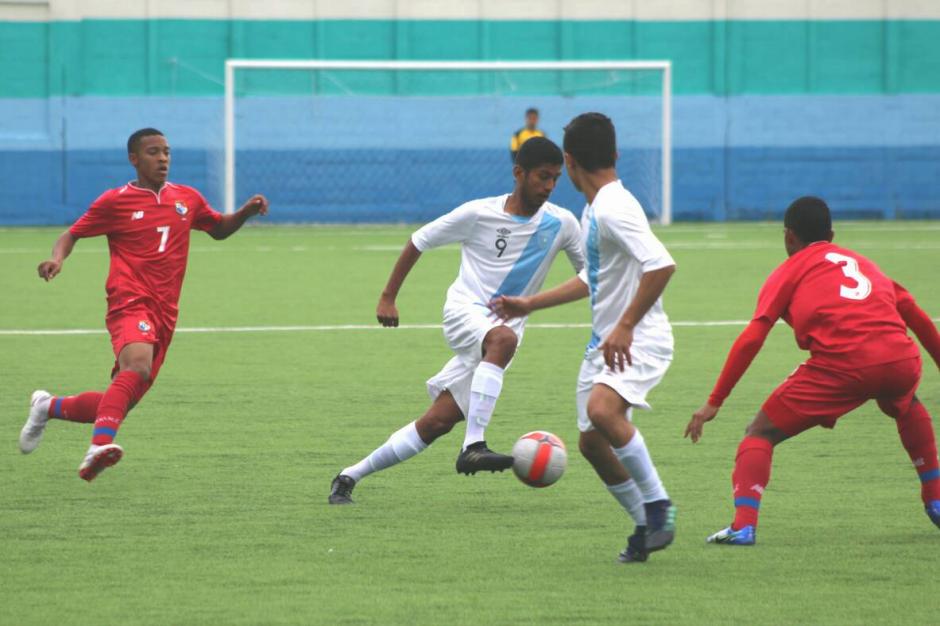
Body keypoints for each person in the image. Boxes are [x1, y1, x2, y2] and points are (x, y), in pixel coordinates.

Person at [328, 137, 583, 504]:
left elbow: (591, 277)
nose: (549, 187)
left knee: (437, 422)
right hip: (465, 312)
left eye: (555, 179)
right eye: (542, 177)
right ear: (518, 173)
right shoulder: (478, 213)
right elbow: (419, 240)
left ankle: (349, 476)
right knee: (503, 340)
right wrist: (388, 296)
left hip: (498, 339)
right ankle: (474, 446)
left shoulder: (562, 224)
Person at [686, 196, 940, 545]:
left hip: (842, 366)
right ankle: (936, 497)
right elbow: (916, 315)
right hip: (900, 359)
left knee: (760, 432)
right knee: (905, 401)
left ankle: (743, 525)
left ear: (789, 237)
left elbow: (752, 338)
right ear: (832, 235)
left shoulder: (788, 271)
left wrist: (714, 401)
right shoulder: (865, 264)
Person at [20, 128, 269, 481]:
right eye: (153, 152)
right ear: (134, 159)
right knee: (136, 367)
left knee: (120, 400)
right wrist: (57, 259)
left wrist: (245, 211)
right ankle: (98, 447)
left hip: (166, 312)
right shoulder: (115, 201)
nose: (163, 158)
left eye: (167, 152)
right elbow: (72, 233)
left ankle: (47, 406)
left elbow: (218, 228)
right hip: (129, 300)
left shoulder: (187, 198)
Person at [490, 112, 677, 563]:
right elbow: (594, 277)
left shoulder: (614, 207)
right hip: (604, 343)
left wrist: (627, 325)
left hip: (638, 338)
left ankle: (659, 508)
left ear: (569, 162)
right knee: (592, 442)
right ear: (614, 154)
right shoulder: (596, 207)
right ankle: (642, 526)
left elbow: (662, 264)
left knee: (602, 410)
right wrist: (529, 303)